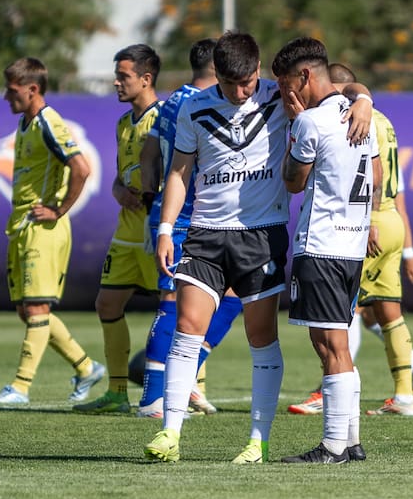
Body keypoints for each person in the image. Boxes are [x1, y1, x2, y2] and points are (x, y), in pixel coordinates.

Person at [143, 31, 373, 464]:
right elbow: (179, 171)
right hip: (206, 232)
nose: (242, 91)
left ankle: (257, 440)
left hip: (261, 235)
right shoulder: (195, 106)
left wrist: (365, 101)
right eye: (233, 84)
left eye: (248, 81)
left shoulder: (281, 95)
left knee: (261, 338)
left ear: (256, 72)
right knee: (187, 326)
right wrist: (165, 227)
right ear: (219, 75)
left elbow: (343, 87)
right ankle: (169, 434)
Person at [287, 63, 413, 417]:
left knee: (344, 311)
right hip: (392, 220)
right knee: (384, 312)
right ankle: (405, 391)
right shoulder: (383, 119)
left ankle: (329, 389)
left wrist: (367, 220)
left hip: (370, 221)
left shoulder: (355, 119)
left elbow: (375, 174)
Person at [272, 38, 380, 464]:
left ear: (304, 77)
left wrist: (294, 128)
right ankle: (350, 440)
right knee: (339, 346)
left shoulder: (311, 122)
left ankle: (333, 445)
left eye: (285, 85)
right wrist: (364, 96)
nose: (284, 95)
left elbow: (293, 181)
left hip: (322, 245)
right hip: (351, 244)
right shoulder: (359, 114)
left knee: (328, 345)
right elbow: (373, 168)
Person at [0, 57, 104, 404]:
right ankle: (86, 368)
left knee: (37, 308)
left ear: (32, 89)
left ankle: (20, 387)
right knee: (28, 312)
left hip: (44, 228)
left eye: (12, 91)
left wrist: (58, 209)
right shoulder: (26, 123)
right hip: (23, 225)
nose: (7, 98)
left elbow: (81, 168)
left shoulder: (49, 122)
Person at [136, 38, 243, 418]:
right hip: (185, 218)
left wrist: (151, 193)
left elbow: (148, 156)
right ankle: (152, 396)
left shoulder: (167, 104)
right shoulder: (198, 104)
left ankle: (186, 376)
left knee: (231, 295)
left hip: (195, 216)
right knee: (172, 303)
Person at [73, 44, 162, 414]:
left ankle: (190, 389)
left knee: (176, 308)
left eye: (123, 76)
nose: (116, 82)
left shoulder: (165, 118)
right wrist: (119, 192)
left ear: (146, 78)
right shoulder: (123, 123)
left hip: (159, 230)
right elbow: (116, 177)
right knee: (107, 303)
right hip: (126, 232)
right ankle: (116, 392)